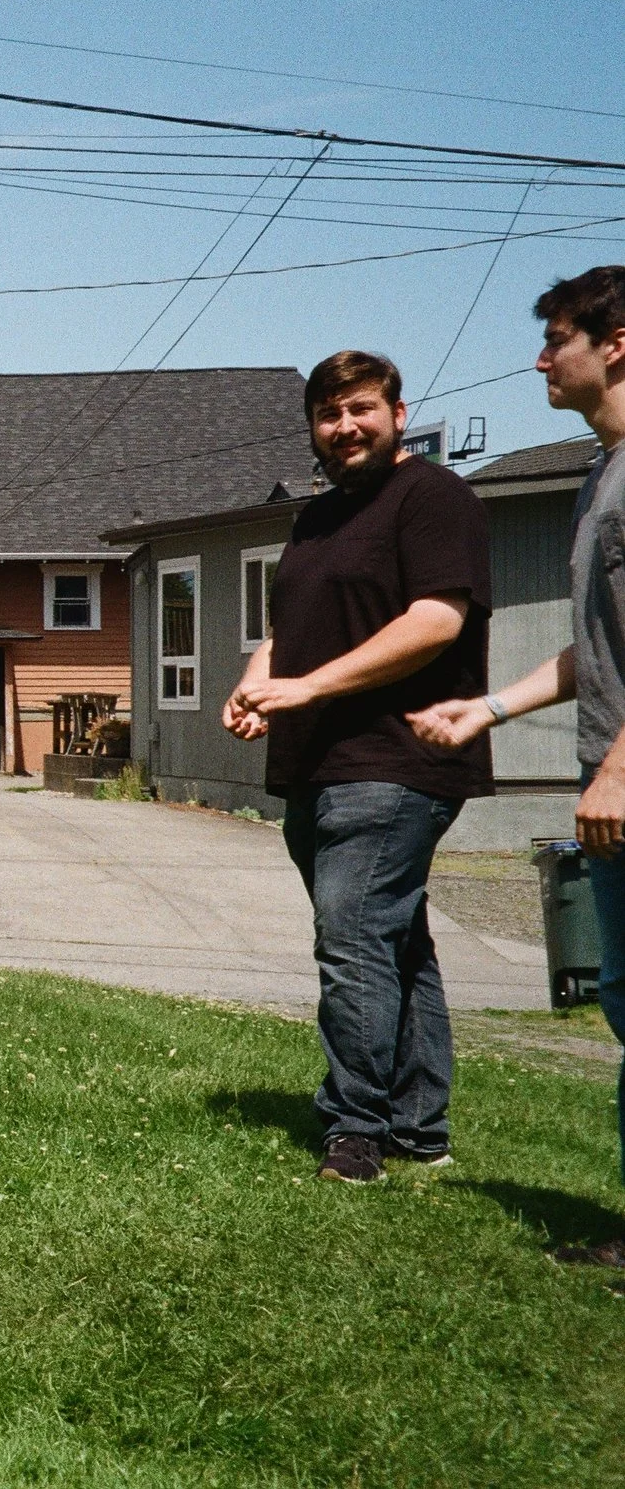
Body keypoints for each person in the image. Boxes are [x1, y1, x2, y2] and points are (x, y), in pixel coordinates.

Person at [225, 350, 494, 1185]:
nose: (346, 427)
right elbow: (291, 629)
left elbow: (436, 620)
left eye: (362, 409)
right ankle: (419, 1126)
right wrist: (257, 681)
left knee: (351, 941)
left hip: (395, 756)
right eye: (329, 414)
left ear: (399, 414)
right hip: (318, 762)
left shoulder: (434, 498)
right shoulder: (316, 519)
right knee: (391, 941)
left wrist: (308, 685)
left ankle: (356, 1132)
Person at [409, 265, 625, 1226]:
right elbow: (599, 646)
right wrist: (488, 710)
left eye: (559, 339)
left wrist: (621, 762)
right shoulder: (602, 474)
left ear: (616, 344)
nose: (541, 357)